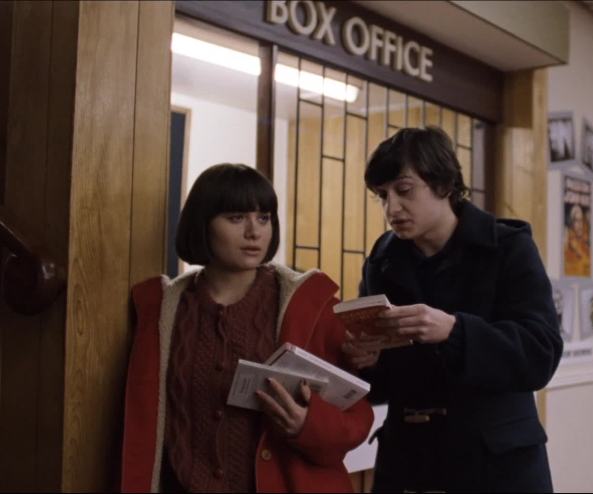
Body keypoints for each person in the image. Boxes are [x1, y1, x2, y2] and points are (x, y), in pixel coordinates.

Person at [121, 164, 373, 493]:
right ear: (202, 223)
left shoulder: (311, 307)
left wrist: (305, 425)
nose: (255, 232)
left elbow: (356, 417)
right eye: (237, 218)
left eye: (264, 218)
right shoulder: (162, 310)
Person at [343, 127, 563, 493]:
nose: (391, 208)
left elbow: (540, 354)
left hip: (495, 463)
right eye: (382, 195)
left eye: (404, 190)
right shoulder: (383, 260)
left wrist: (455, 331)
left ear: (443, 184)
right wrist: (366, 361)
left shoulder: (508, 247)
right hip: (409, 460)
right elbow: (381, 385)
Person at [564, 203, 591, 277]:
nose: (580, 224)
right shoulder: (567, 243)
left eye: (581, 220)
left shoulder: (586, 243)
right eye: (576, 220)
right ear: (572, 223)